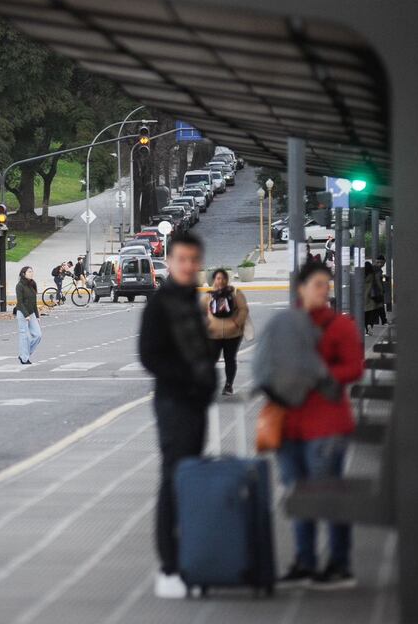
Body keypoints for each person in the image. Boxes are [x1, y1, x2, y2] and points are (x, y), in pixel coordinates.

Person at [139, 232, 217, 599]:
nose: (188, 265)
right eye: (181, 259)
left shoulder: (190, 300)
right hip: (174, 403)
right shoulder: (161, 304)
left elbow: (202, 350)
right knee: (174, 479)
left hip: (194, 402)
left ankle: (190, 561)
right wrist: (187, 379)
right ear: (169, 262)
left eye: (193, 260)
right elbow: (150, 355)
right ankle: (169, 567)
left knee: (189, 480)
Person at [277, 262, 364, 590]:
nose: (324, 290)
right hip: (291, 426)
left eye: (327, 284)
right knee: (299, 495)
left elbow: (354, 368)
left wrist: (320, 375)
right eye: (317, 284)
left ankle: (339, 563)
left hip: (327, 425)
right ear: (301, 288)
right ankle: (305, 561)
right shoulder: (288, 324)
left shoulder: (339, 326)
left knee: (328, 495)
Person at [202, 268, 249, 395]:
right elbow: (198, 312)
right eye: (218, 278)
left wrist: (236, 323)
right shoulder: (208, 295)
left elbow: (243, 309)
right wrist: (205, 325)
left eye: (223, 278)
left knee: (230, 359)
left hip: (233, 334)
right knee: (210, 360)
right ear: (214, 280)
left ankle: (228, 385)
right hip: (213, 335)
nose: (220, 281)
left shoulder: (235, 293)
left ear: (227, 280)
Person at [14, 266, 42, 364]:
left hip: (31, 313)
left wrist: (37, 316)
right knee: (24, 336)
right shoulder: (19, 286)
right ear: (23, 274)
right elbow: (20, 302)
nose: (31, 273)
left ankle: (24, 354)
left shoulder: (32, 284)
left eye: (32, 271)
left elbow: (34, 302)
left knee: (38, 335)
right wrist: (26, 315)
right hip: (22, 313)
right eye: (29, 272)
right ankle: (24, 358)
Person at [363, 262, 384, 335]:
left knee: (365, 314)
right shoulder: (372, 275)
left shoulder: (361, 276)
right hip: (371, 295)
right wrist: (381, 290)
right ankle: (370, 324)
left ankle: (366, 330)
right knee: (373, 312)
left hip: (364, 296)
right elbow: (377, 283)